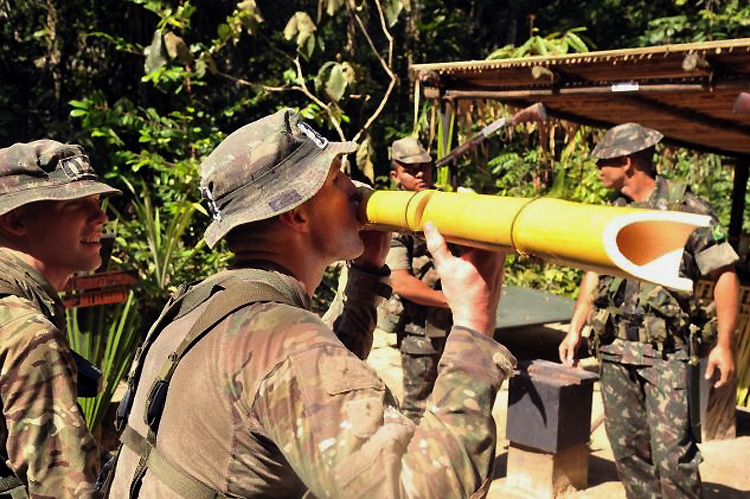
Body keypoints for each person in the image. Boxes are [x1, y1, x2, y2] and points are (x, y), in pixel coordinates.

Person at [107, 109, 516, 498]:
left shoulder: (205, 303)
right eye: (337, 179)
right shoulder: (281, 339)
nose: (355, 190)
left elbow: (303, 393)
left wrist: (367, 273)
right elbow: (423, 490)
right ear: (297, 214)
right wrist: (473, 329)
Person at [558, 123, 740, 499]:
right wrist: (576, 326)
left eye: (603, 163)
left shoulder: (685, 209)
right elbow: (595, 272)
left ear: (627, 162)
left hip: (665, 355)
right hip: (613, 350)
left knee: (674, 457)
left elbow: (724, 274)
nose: (598, 171)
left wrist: (724, 343)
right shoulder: (612, 213)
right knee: (628, 451)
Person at [0, 140, 120, 497]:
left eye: (97, 203)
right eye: (76, 204)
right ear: (16, 219)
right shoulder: (28, 334)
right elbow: (64, 491)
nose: (101, 217)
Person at [376, 136, 455, 422]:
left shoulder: (447, 205)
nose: (421, 173)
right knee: (418, 408)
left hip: (454, 326)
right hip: (419, 331)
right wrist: (454, 303)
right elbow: (401, 282)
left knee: (453, 403)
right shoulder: (394, 217)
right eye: (411, 169)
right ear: (395, 175)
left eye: (425, 166)